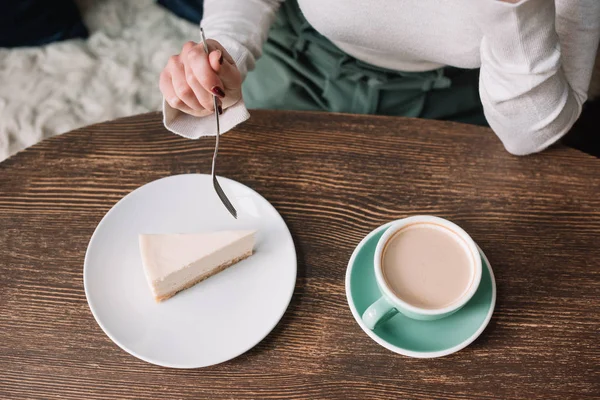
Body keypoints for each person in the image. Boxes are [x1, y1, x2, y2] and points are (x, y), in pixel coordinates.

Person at [159, 0, 600, 155]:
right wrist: (224, 50)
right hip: (294, 57)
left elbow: (530, 134)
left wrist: (516, 9)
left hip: (461, 96)